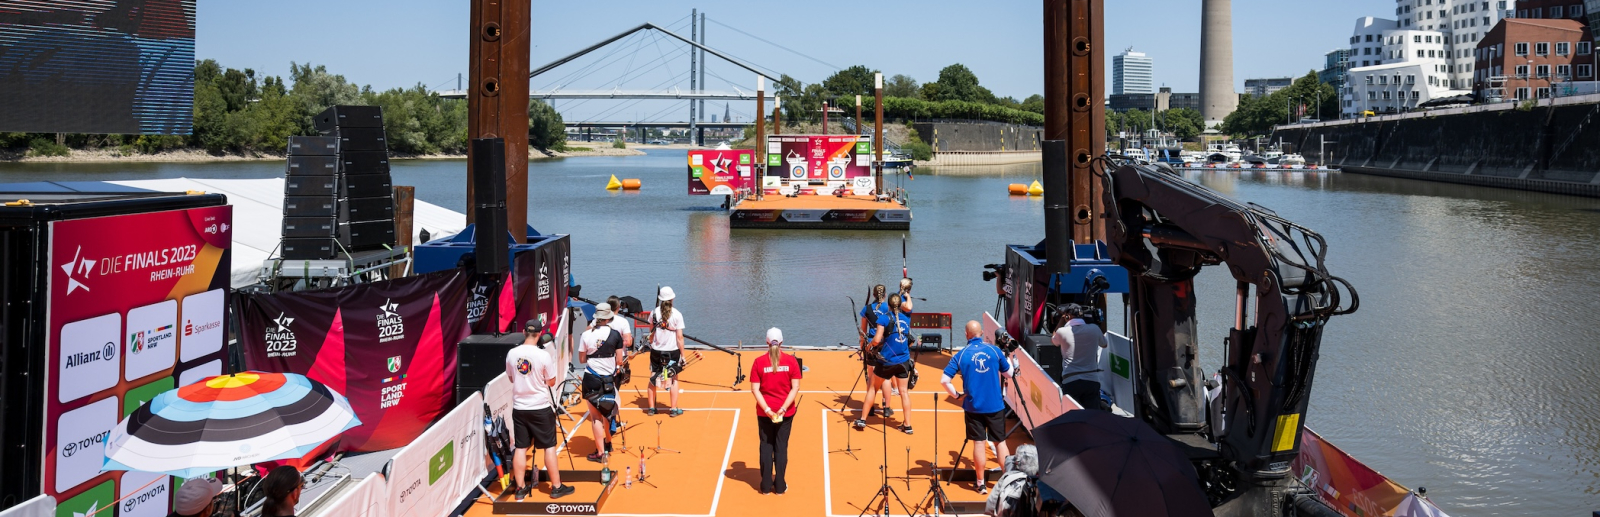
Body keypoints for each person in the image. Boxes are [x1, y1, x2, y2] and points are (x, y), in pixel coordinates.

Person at [942, 321, 1013, 494]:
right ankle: (1009, 483)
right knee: (1000, 442)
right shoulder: (994, 350)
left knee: (979, 443)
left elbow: (944, 380)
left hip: (973, 407)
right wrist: (1009, 356)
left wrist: (957, 396)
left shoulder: (961, 354)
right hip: (995, 405)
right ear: (981, 333)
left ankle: (980, 483)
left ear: (966, 334)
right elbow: (1009, 373)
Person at [506, 320, 574, 500]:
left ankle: (520, 489)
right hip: (540, 407)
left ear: (523, 332)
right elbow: (551, 381)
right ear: (539, 333)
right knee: (549, 447)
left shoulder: (512, 353)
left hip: (519, 407)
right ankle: (556, 487)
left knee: (521, 448)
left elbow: (512, 378)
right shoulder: (543, 356)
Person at [750, 327, 801, 495]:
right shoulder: (791, 362)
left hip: (764, 413)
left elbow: (755, 389)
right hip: (785, 413)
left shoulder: (758, 362)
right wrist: (783, 409)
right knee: (781, 447)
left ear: (766, 342)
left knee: (766, 446)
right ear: (781, 343)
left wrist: (767, 410)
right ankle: (780, 486)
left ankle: (765, 486)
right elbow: (795, 388)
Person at [856, 294, 915, 434]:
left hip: (886, 361)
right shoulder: (907, 316)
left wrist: (869, 346)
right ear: (901, 305)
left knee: (872, 388)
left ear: (887, 305)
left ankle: (863, 419)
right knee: (904, 392)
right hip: (903, 361)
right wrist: (908, 295)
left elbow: (876, 339)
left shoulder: (884, 318)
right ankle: (907, 426)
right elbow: (909, 306)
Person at [580, 303, 628, 462]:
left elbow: (581, 359)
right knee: (608, 413)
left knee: (595, 417)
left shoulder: (586, 335)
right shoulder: (615, 335)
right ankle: (608, 443)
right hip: (609, 378)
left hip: (591, 378)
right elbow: (620, 360)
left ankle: (600, 453)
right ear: (609, 318)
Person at [646, 286, 694, 417]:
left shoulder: (654, 313)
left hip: (656, 350)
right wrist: (683, 355)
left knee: (653, 377)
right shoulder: (677, 314)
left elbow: (651, 332)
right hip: (672, 351)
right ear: (672, 298)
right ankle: (673, 409)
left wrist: (651, 343)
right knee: (673, 378)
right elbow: (679, 338)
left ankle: (651, 408)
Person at [1053, 304, 1108, 410]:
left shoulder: (1062, 332)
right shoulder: (1094, 329)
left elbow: (1054, 339)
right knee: (1092, 417)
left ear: (1067, 316)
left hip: (1071, 381)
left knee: (1072, 419)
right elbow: (1104, 344)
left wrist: (1061, 320)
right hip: (1091, 381)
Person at [857, 284, 894, 417]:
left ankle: (870, 406)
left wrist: (862, 346)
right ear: (884, 295)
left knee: (871, 376)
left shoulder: (866, 309)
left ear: (873, 295)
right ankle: (887, 408)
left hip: (872, 346)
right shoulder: (889, 308)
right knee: (886, 377)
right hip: (887, 346)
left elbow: (863, 331)